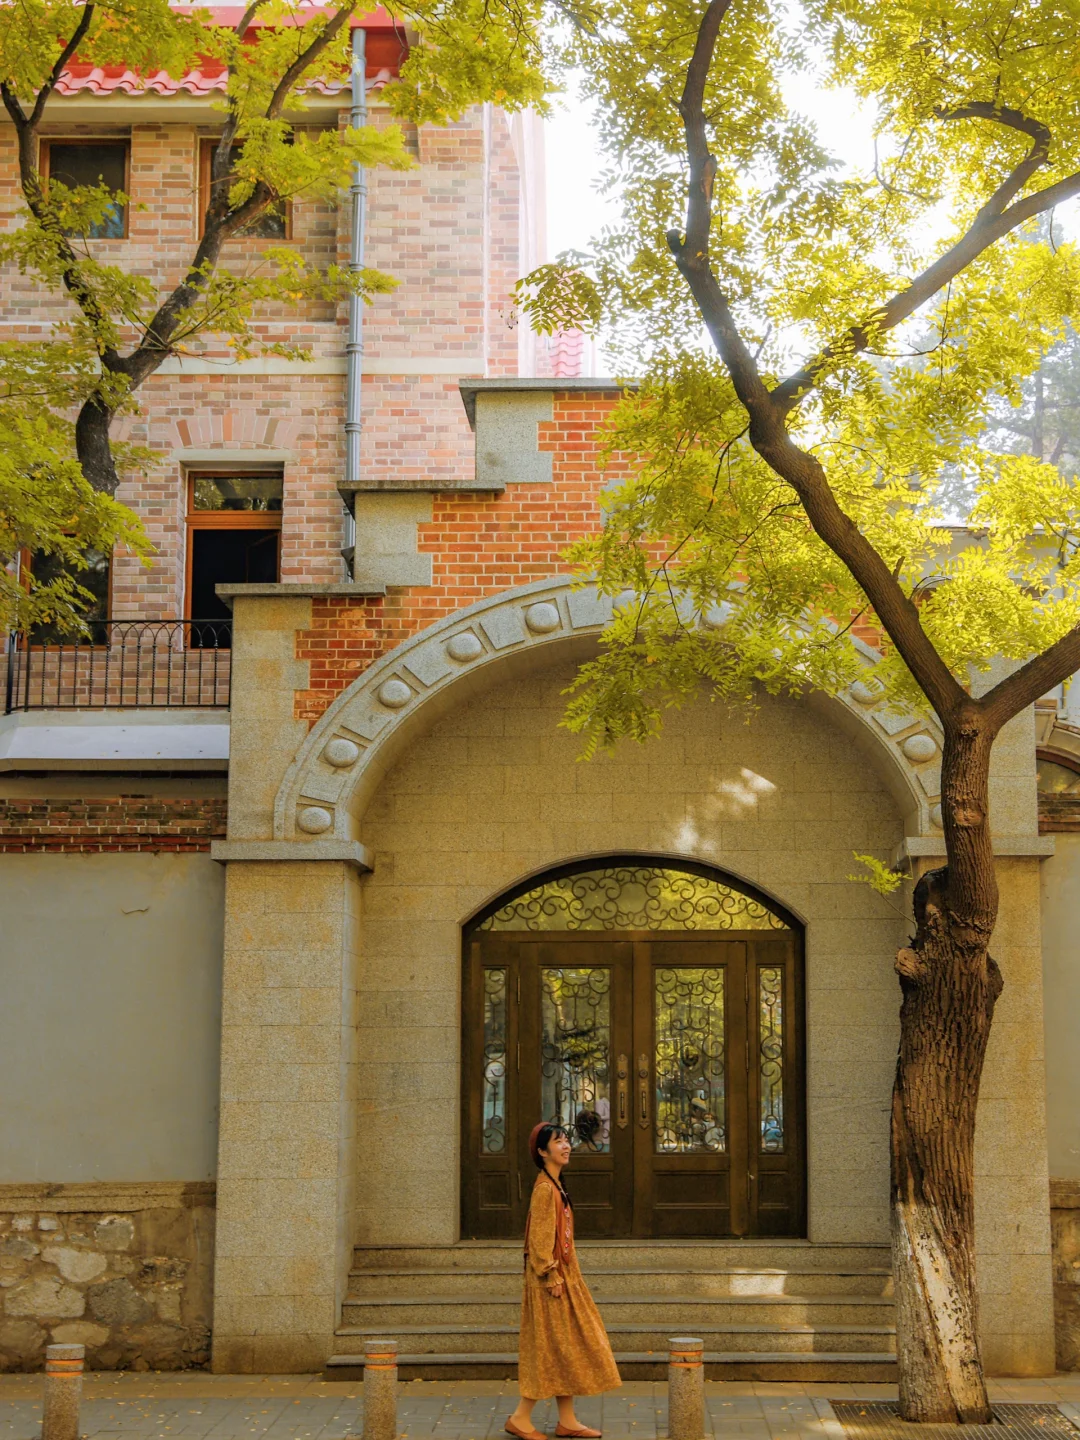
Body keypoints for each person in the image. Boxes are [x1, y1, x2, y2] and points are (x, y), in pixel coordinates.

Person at [505, 1122, 621, 1440]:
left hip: (564, 1276)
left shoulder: (556, 1185)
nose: (566, 1146)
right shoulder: (545, 1188)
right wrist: (551, 1274)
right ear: (542, 1152)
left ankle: (567, 1421)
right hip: (551, 1280)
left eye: (567, 1140)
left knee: (564, 1348)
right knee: (553, 1349)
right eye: (558, 1142)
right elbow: (540, 1240)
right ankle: (520, 1417)